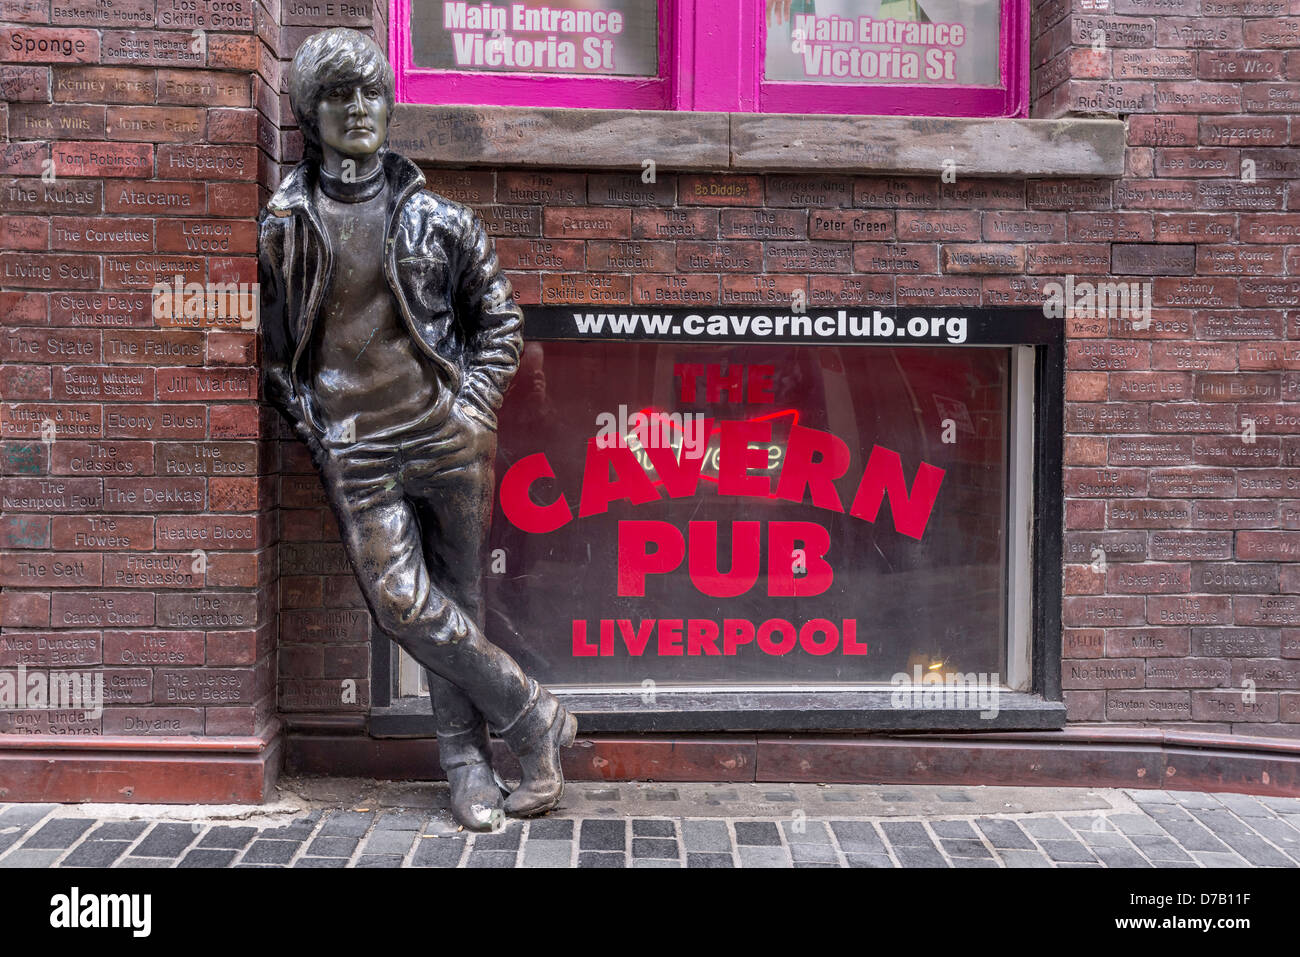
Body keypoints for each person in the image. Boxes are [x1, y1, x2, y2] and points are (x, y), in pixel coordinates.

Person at [257, 27, 576, 831]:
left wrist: (471, 408)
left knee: (456, 606)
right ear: (309, 112)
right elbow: (275, 350)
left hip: (447, 438)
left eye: (370, 93)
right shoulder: (286, 224)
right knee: (404, 604)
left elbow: (500, 320)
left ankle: (469, 769)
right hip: (356, 449)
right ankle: (533, 715)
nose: (358, 108)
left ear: (390, 106)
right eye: (338, 95)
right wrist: (317, 426)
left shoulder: (440, 218)